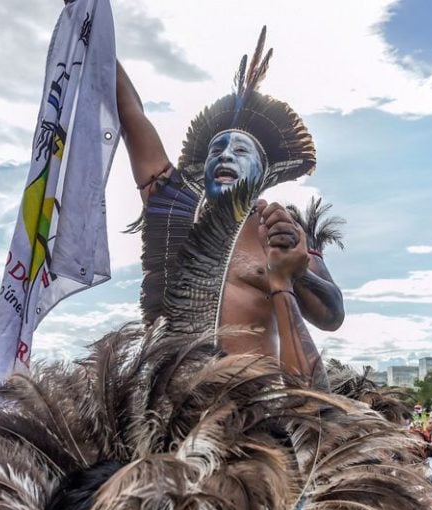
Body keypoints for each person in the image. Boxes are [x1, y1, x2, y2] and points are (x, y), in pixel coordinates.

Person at [115, 30, 344, 388]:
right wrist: (93, 24)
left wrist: (293, 272)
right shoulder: (176, 210)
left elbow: (332, 316)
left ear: (264, 171)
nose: (224, 156)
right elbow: (132, 117)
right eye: (216, 150)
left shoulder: (284, 230)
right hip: (172, 407)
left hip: (256, 410)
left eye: (240, 151)